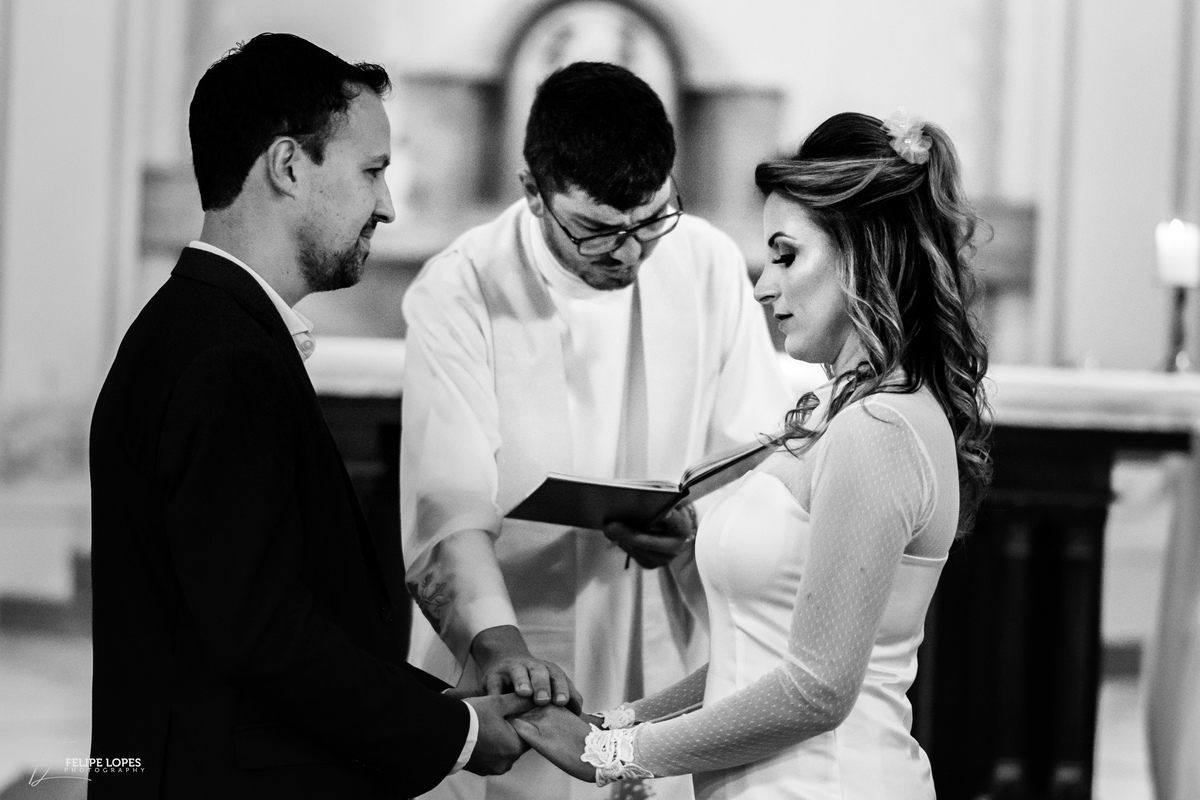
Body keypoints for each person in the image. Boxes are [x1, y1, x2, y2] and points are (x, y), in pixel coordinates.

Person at [88, 33, 532, 800]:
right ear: (289, 166)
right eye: (372, 171)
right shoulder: (225, 359)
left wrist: (435, 705)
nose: (388, 205)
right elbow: (264, 640)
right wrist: (454, 737)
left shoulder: (196, 328)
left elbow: (266, 616)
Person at [511, 110, 993, 800]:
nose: (764, 285)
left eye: (787, 254)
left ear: (865, 251)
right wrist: (617, 722)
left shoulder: (882, 427)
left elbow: (816, 690)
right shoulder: (837, 413)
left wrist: (614, 755)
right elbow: (755, 659)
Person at [400, 61, 792, 799]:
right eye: (595, 232)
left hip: (664, 638)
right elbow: (445, 501)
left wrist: (695, 522)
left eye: (650, 222)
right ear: (533, 193)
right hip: (517, 645)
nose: (630, 253)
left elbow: (757, 452)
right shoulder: (462, 287)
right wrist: (501, 648)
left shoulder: (704, 263)